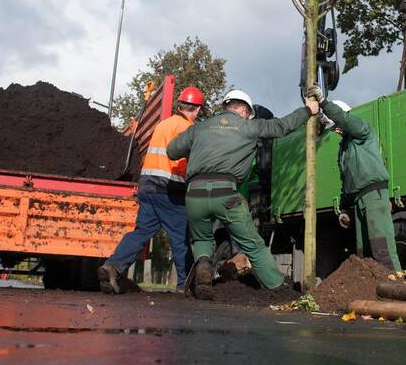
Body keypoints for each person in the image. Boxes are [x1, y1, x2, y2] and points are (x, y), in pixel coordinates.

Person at [168, 87, 320, 299]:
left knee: (202, 238)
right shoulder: (249, 127)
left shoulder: (199, 128)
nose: (248, 116)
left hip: (194, 194)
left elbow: (172, 150)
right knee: (253, 245)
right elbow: (281, 126)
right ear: (243, 110)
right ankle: (279, 290)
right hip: (225, 194)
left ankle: (204, 264)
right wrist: (307, 110)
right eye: (248, 113)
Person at [97, 86, 204, 294]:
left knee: (142, 232)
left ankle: (113, 266)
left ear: (180, 104)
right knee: (180, 237)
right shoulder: (187, 129)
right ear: (197, 109)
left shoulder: (163, 124)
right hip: (169, 189)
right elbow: (186, 163)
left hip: (147, 186)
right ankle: (185, 285)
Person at [320, 100, 401, 271]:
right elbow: (346, 181)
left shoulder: (362, 131)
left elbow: (344, 119)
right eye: (332, 127)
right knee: (363, 254)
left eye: (335, 125)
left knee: (382, 249)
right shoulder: (343, 149)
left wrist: (323, 103)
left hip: (374, 196)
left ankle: (397, 288)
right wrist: (344, 209)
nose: (335, 129)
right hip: (358, 201)